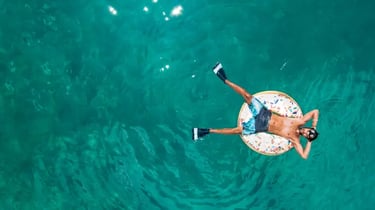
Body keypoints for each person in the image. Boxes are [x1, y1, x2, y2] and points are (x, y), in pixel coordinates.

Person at [192, 63, 320, 159]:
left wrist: (309, 142)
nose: (306, 132)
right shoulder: (300, 121)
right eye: (309, 131)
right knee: (247, 95)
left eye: (308, 135)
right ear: (309, 128)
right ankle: (224, 78)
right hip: (265, 113)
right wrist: (314, 125)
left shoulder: (295, 139)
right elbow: (315, 111)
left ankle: (206, 131)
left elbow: (304, 156)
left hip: (261, 126)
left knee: (237, 131)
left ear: (306, 137)